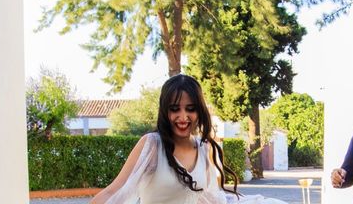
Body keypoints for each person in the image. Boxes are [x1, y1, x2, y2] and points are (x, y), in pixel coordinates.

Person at [92, 74, 287, 204]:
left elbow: (213, 199)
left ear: (199, 110)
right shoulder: (152, 145)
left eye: (190, 108)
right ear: (165, 111)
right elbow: (114, 192)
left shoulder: (205, 148)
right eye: (175, 109)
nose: (183, 117)